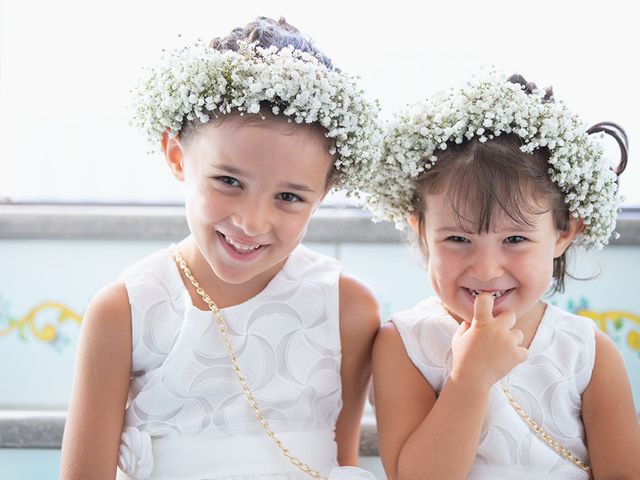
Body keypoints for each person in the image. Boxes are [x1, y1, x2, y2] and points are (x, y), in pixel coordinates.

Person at [60, 17, 382, 480]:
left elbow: (340, 460)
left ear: (323, 194)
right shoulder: (124, 311)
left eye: (289, 197)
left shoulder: (346, 307)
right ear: (176, 156)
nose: (252, 221)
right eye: (229, 181)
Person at [369, 73, 640, 479]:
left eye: (514, 238)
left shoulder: (588, 354)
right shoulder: (404, 344)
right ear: (421, 230)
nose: (485, 269)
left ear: (564, 234)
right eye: (458, 238)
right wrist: (468, 379)